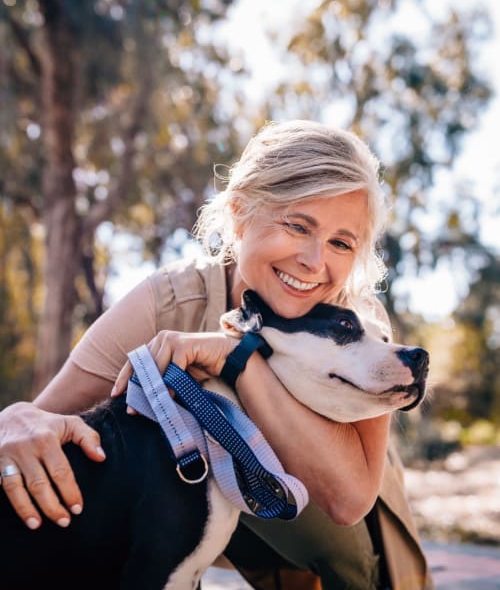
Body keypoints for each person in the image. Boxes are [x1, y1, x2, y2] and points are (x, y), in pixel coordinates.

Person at [0, 120, 432, 589]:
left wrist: (236, 357)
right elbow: (44, 423)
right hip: (193, 510)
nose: (314, 261)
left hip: (337, 540)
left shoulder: (360, 322)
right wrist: (15, 421)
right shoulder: (170, 300)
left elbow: (347, 502)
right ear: (241, 211)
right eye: (297, 225)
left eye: (341, 243)